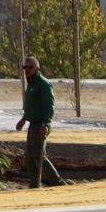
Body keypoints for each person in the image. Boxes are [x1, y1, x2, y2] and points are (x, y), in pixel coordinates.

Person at [16, 54, 62, 188]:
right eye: (25, 67)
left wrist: (46, 125)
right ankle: (35, 184)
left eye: (30, 67)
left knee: (39, 155)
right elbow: (30, 106)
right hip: (32, 124)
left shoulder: (44, 85)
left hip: (41, 125)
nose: (27, 70)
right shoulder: (30, 84)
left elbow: (49, 107)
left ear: (37, 68)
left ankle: (57, 182)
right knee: (30, 156)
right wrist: (23, 119)